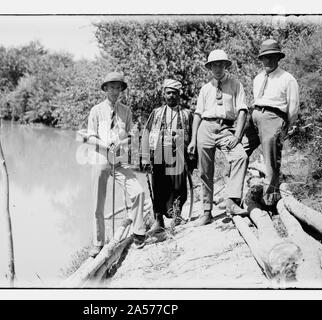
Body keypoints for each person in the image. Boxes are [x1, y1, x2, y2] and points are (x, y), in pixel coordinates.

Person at [85, 72, 146, 257]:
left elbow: (130, 136)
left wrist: (122, 142)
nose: (114, 91)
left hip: (119, 160)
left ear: (121, 90)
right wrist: (105, 146)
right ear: (105, 89)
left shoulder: (126, 111)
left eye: (118, 87)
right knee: (98, 203)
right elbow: (90, 136)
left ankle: (138, 232)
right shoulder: (96, 110)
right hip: (101, 159)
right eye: (111, 87)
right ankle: (98, 242)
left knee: (138, 191)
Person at [187, 49, 249, 225]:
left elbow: (243, 110)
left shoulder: (236, 84)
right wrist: (193, 140)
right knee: (205, 171)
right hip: (205, 128)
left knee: (240, 157)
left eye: (221, 64)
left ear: (225, 66)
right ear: (210, 67)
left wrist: (237, 134)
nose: (217, 68)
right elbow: (198, 114)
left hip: (226, 128)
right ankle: (207, 212)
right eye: (214, 65)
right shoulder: (206, 88)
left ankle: (232, 201)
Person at [242, 39, 299, 208]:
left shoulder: (288, 79)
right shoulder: (258, 78)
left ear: (277, 58)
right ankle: (234, 196)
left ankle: (270, 201)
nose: (267, 61)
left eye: (270, 57)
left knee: (271, 160)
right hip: (255, 116)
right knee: (240, 152)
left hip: (274, 118)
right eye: (264, 58)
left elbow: (293, 106)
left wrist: (286, 126)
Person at [141, 79, 193, 234]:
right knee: (158, 187)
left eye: (174, 93)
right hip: (158, 153)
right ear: (163, 94)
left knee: (179, 187)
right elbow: (146, 133)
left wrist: (191, 159)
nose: (171, 96)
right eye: (168, 92)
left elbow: (192, 136)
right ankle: (159, 221)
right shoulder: (156, 113)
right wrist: (144, 157)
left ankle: (176, 216)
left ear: (179, 95)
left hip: (178, 153)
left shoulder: (186, 114)